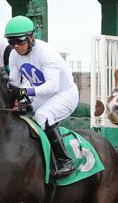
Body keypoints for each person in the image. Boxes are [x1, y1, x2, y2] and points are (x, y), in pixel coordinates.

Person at [4, 15, 79, 179]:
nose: (16, 46)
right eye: (12, 42)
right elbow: (14, 83)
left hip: (64, 94)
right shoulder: (14, 55)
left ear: (31, 37)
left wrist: (25, 93)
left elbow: (53, 87)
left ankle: (64, 160)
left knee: (42, 115)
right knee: (18, 115)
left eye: (20, 41)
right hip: (40, 94)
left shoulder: (47, 53)